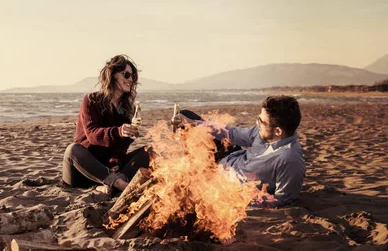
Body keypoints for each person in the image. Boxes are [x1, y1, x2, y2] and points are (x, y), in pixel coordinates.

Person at [174, 95, 305, 207]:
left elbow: (282, 200)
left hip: (229, 184)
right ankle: (192, 166)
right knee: (185, 117)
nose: (257, 123)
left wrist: (240, 196)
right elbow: (232, 133)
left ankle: (195, 174)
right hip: (228, 157)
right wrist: (195, 124)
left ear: (278, 131)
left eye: (261, 121)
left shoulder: (289, 159)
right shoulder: (261, 133)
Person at [62, 55, 151, 192]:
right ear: (112, 75)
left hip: (108, 170)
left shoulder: (127, 109)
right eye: (126, 75)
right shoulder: (91, 100)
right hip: (85, 170)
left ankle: (109, 185)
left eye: (133, 76)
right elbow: (92, 135)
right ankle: (118, 184)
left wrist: (115, 161)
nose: (130, 80)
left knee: (149, 151)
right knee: (72, 149)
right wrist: (118, 131)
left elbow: (121, 147)